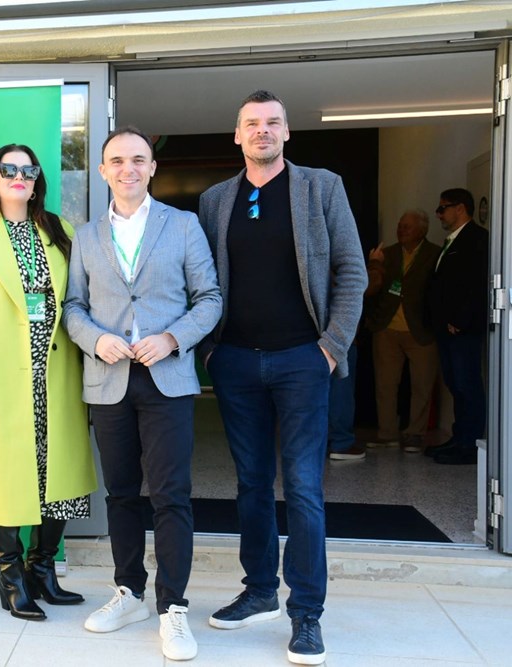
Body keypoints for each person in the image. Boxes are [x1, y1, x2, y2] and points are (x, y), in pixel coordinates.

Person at [197, 90, 366, 666]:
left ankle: (307, 614)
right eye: (252, 123)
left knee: (303, 488)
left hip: (303, 359)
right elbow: (203, 279)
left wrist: (330, 348)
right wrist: (211, 351)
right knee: (251, 484)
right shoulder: (216, 199)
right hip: (235, 361)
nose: (262, 131)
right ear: (237, 135)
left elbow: (351, 270)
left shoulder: (321, 187)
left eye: (273, 122)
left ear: (287, 132)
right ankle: (260, 591)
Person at [63, 126, 222, 662]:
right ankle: (129, 593)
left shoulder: (183, 225)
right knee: (121, 494)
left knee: (171, 494)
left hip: (166, 377)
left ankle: (173, 606)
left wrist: (172, 338)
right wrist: (96, 339)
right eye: (117, 161)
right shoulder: (86, 235)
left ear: (152, 168)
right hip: (109, 380)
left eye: (138, 160)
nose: (127, 169)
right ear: (103, 171)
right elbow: (73, 307)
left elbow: (210, 297)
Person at [0, 144, 97, 621]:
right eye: (8, 169)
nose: (18, 177)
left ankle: (42, 569)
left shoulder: (61, 231)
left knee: (58, 474)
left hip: (57, 373)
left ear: (36, 182)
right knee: (6, 477)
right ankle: (11, 579)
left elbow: (81, 299)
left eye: (28, 171)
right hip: (0, 378)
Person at [365, 209, 441, 453]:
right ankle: (387, 434)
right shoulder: (386, 255)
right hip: (386, 329)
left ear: (422, 230)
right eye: (400, 225)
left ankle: (415, 434)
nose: (401, 230)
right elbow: (371, 289)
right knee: (385, 385)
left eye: (407, 226)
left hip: (421, 331)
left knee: (422, 386)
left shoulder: (435, 254)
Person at [424, 188, 488, 465]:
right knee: (455, 383)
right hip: (446, 328)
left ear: (460, 208)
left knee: (467, 384)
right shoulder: (452, 240)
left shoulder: (476, 239)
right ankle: (459, 437)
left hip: (462, 329)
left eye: (443, 208)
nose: (439, 214)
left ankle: (470, 444)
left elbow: (477, 284)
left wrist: (460, 320)